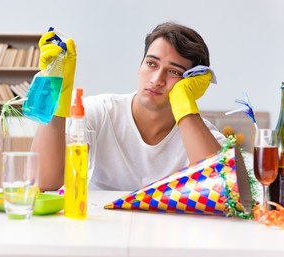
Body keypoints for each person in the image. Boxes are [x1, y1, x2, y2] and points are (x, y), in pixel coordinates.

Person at [31, 21, 227, 192]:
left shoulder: (200, 134)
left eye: (174, 71)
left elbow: (223, 191)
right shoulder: (100, 112)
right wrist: (55, 94)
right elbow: (44, 180)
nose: (157, 79)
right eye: (151, 64)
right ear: (140, 66)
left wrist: (184, 100)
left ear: (193, 83)